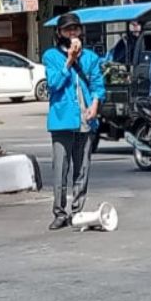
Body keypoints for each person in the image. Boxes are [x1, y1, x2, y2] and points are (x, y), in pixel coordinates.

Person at [42, 13, 106, 231]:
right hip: (62, 120)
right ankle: (59, 212)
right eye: (68, 30)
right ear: (59, 33)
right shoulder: (51, 56)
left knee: (82, 168)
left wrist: (96, 103)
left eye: (75, 29)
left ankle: (78, 211)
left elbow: (98, 84)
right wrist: (68, 61)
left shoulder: (90, 58)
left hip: (85, 120)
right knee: (61, 168)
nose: (72, 33)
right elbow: (53, 84)